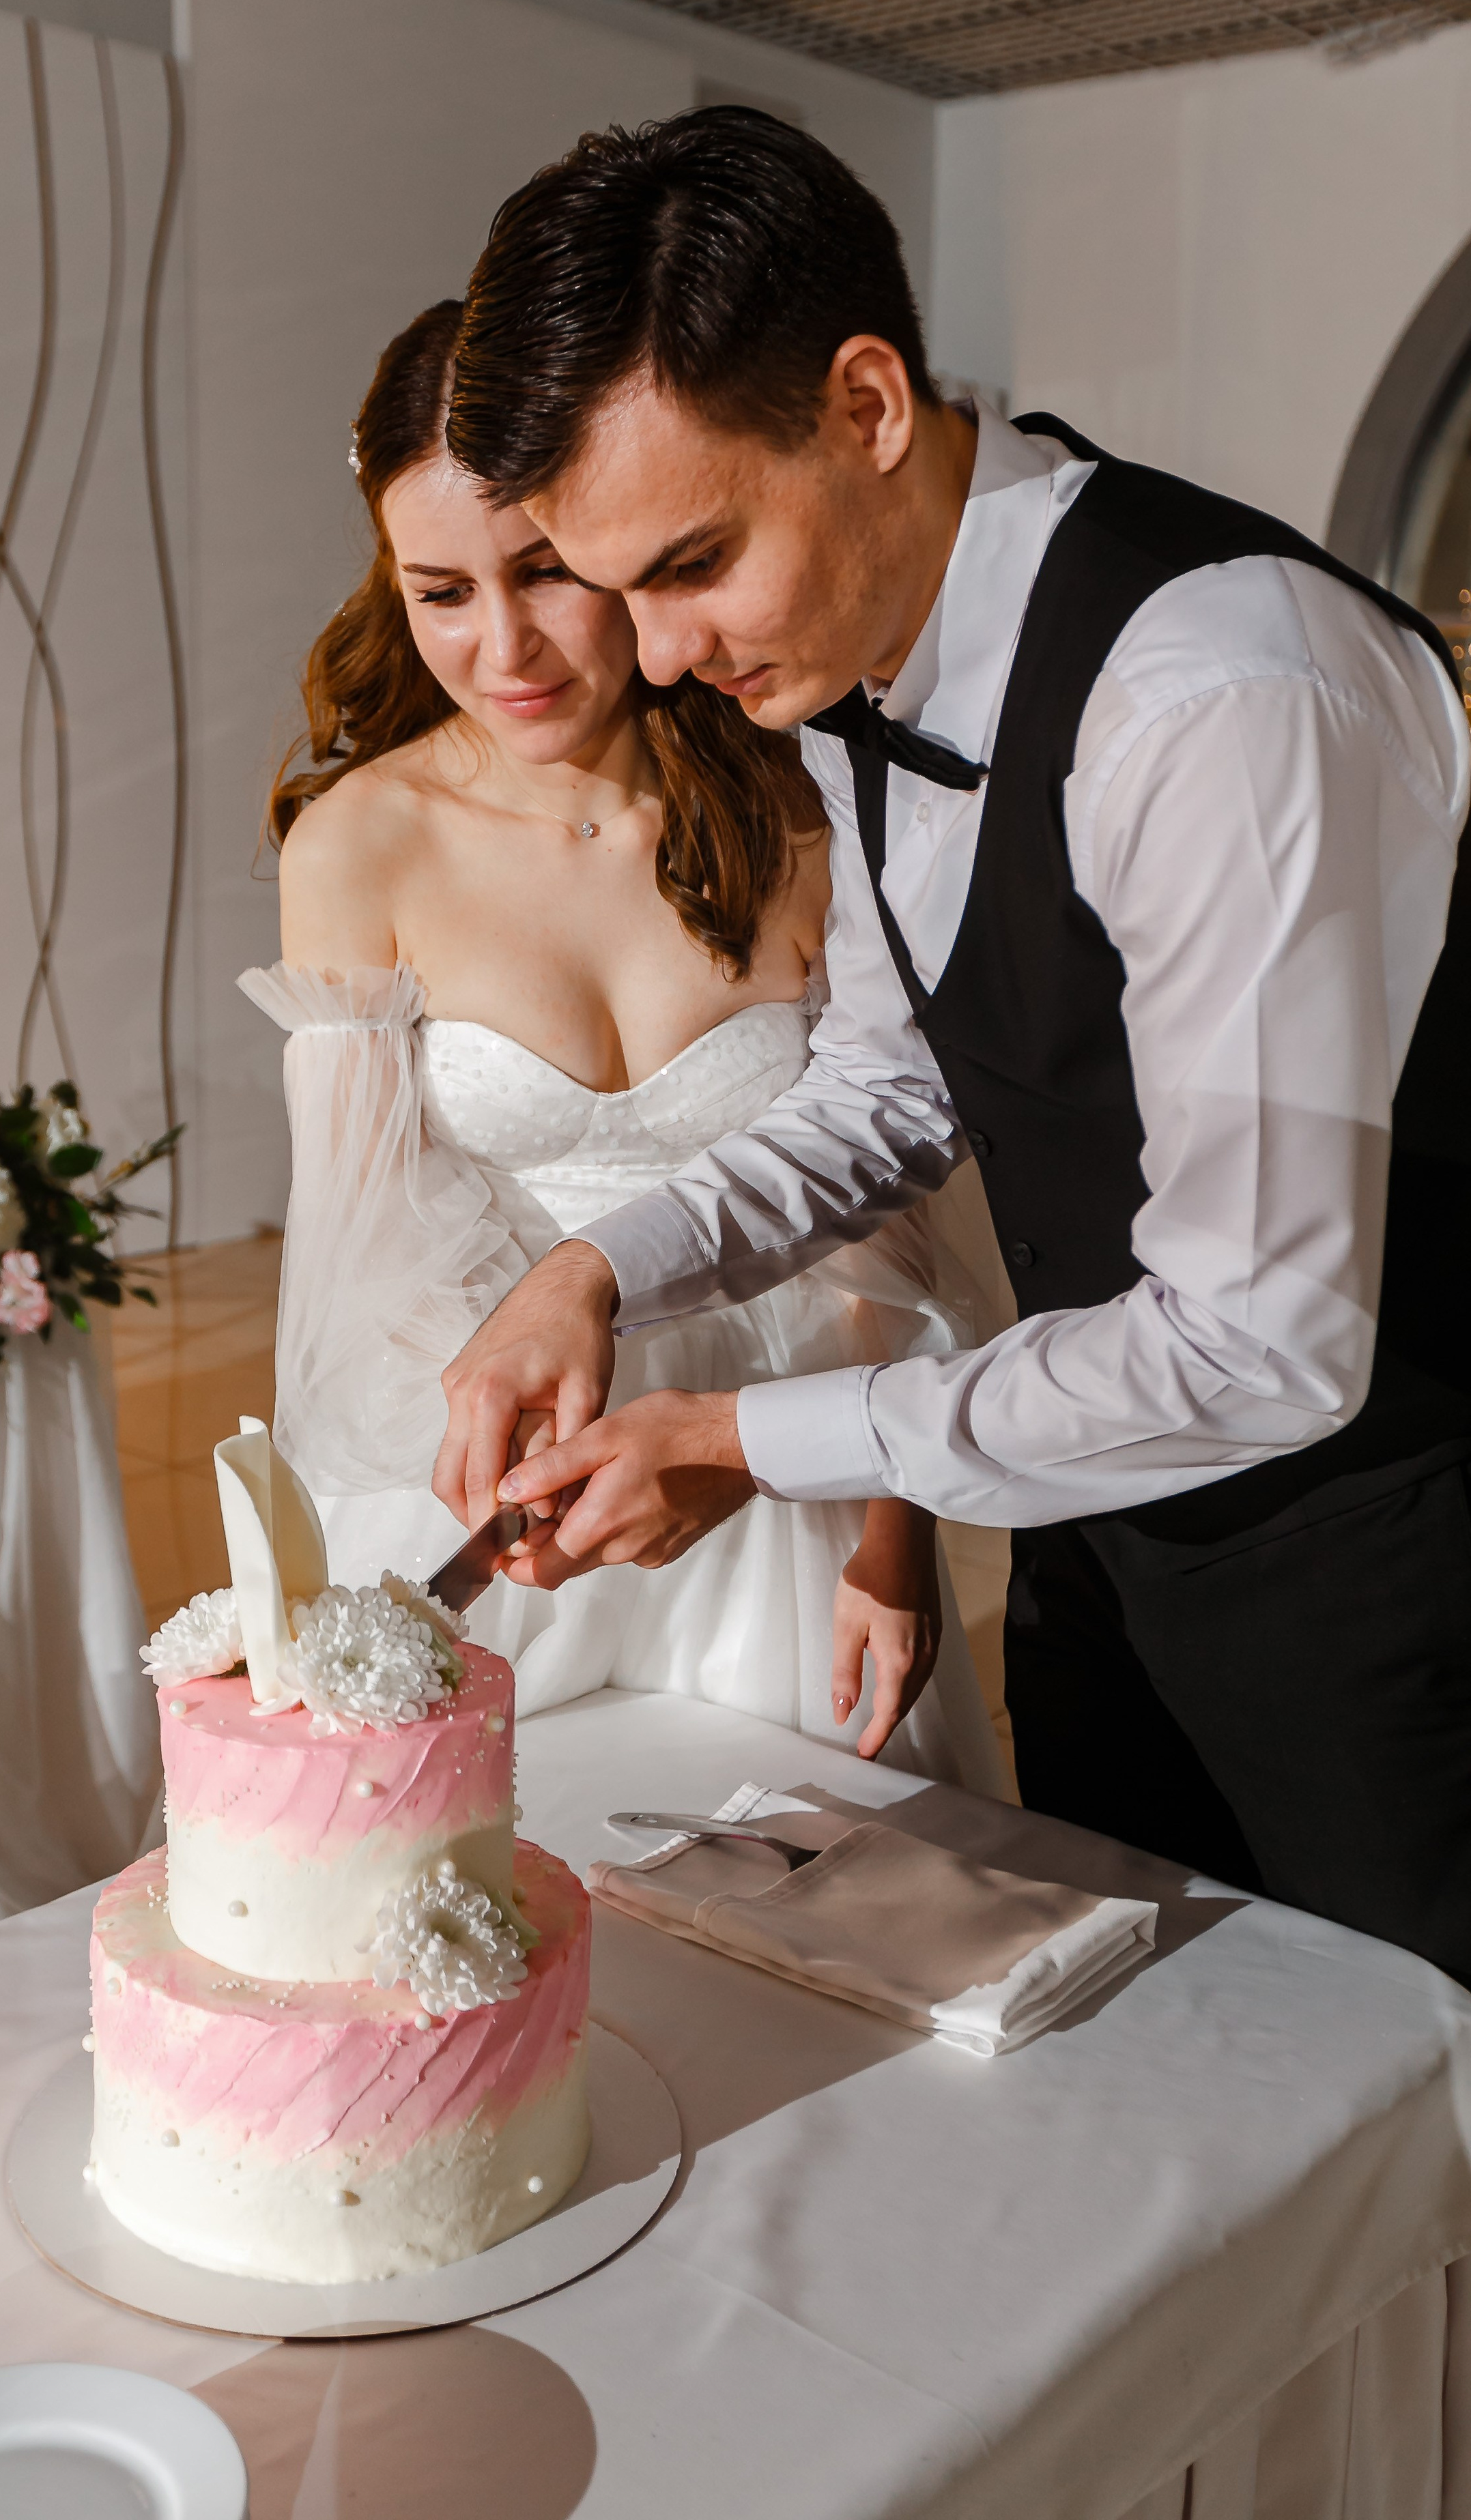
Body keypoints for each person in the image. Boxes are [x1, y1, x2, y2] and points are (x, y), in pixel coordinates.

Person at [432, 108, 1471, 1982]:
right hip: (1107, 1535)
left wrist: (755, 1443)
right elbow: (900, 1086)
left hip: (1390, 1568)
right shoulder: (848, 657)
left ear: (867, 403)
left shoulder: (1219, 695)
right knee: (1163, 2105)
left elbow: (1263, 1339)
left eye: (691, 564)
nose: (656, 660)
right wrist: (603, 1268)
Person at [240, 297, 1005, 1789]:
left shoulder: (801, 816)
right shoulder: (359, 850)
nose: (502, 646)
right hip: (482, 1491)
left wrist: (886, 1536)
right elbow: (357, 1270)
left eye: (542, 574)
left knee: (827, 1922)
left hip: (778, 1481)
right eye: (440, 590)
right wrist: (525, 1485)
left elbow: (888, 1222)